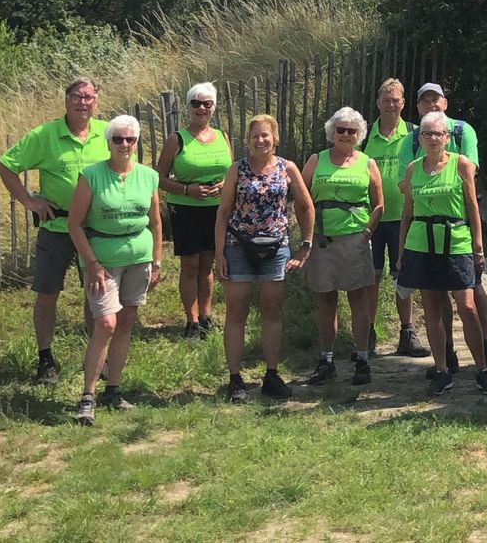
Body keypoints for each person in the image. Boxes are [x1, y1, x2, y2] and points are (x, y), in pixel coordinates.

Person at [0, 77, 110, 384]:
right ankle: (45, 359)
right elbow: (6, 165)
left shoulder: (107, 133)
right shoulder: (45, 135)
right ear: (66, 100)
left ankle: (98, 357)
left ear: (96, 101)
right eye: (76, 96)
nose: (82, 102)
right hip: (57, 227)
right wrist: (29, 202)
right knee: (48, 293)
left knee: (95, 293)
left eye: (88, 97)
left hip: (95, 228)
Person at [67, 115, 163, 425]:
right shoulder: (91, 176)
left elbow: (157, 221)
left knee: (126, 322)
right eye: (118, 139)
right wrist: (92, 264)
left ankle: (114, 388)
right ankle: (87, 396)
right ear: (108, 142)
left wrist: (157, 260)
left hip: (139, 257)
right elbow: (74, 224)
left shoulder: (148, 176)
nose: (124, 144)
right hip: (102, 260)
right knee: (105, 323)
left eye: (130, 139)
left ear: (137, 143)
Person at [397, 111, 487, 397]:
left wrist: (478, 246)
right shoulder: (413, 169)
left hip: (455, 241)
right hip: (421, 243)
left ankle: (481, 368)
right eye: (426, 134)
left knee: (466, 306)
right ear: (419, 139)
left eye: (437, 134)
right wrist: (402, 249)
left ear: (446, 138)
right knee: (432, 308)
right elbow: (407, 212)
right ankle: (442, 370)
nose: (432, 138)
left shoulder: (461, 164)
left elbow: (472, 208)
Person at [215, 115, 315, 404]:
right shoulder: (237, 170)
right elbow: (223, 213)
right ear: (248, 141)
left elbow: (306, 206)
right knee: (236, 314)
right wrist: (220, 252)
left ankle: (271, 375)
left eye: (266, 135)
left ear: (275, 138)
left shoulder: (288, 168)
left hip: (275, 248)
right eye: (255, 136)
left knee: (272, 312)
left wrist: (305, 246)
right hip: (238, 246)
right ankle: (235, 380)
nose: (261, 140)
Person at [300, 107, 384, 386]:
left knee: (358, 300)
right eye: (340, 130)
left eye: (351, 130)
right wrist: (307, 235)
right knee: (326, 300)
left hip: (355, 240)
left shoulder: (367, 163)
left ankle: (362, 358)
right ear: (331, 132)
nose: (346, 135)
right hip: (323, 240)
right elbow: (301, 198)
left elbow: (379, 204)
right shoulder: (316, 160)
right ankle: (326, 360)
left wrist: (367, 233)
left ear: (359, 134)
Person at [155, 82, 233, 340]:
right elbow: (160, 178)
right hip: (186, 208)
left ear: (213, 107)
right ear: (188, 107)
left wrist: (223, 185)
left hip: (216, 209)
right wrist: (188, 190)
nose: (201, 108)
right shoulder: (176, 139)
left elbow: (231, 172)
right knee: (190, 264)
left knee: (208, 264)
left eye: (206, 103)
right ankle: (191, 320)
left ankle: (206, 315)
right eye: (195, 103)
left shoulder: (222, 137)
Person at [361, 79, 429, 357]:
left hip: (406, 217)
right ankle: (368, 333)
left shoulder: (414, 134)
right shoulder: (364, 136)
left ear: (403, 103)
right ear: (378, 103)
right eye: (386, 100)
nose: (391, 104)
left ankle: (407, 332)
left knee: (405, 277)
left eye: (396, 100)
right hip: (372, 218)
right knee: (371, 277)